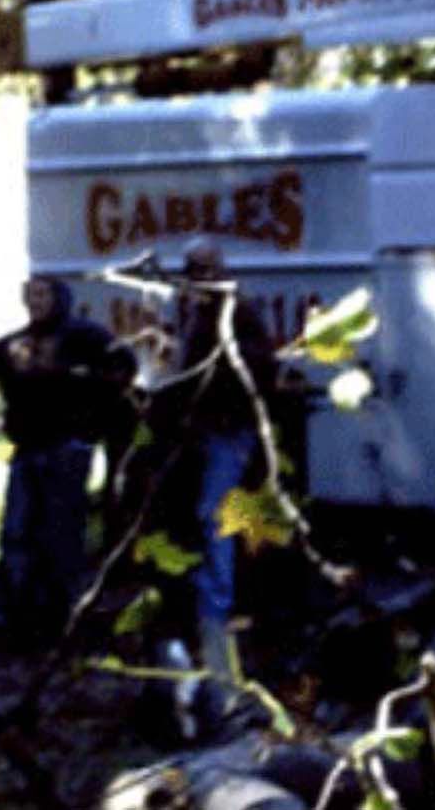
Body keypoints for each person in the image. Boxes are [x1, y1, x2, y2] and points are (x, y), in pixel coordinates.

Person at [0, 276, 134, 644]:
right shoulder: (19, 341)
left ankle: (61, 619)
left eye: (42, 294)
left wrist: (81, 390)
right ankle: (15, 615)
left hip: (68, 449)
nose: (35, 301)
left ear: (60, 297)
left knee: (60, 536)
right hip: (27, 451)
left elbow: (123, 368)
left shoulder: (86, 337)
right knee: (17, 534)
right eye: (29, 295)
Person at [167, 237, 278, 718]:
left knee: (217, 520)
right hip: (200, 434)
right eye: (193, 267)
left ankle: (217, 618)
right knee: (195, 521)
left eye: (207, 267)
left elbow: (250, 370)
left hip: (228, 432)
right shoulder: (191, 313)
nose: (199, 275)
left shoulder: (235, 312)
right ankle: (199, 618)